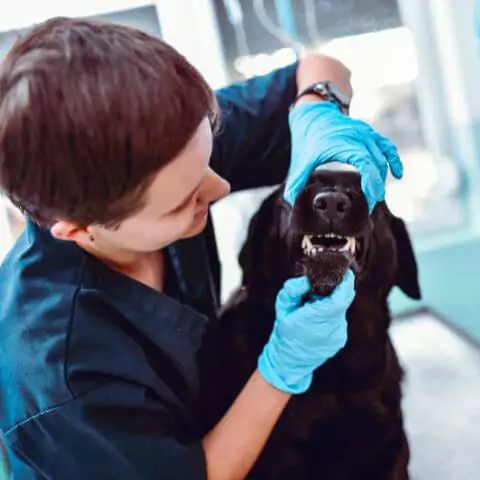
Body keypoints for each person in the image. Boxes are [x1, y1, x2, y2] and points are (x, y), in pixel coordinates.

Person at [0, 17, 403, 479]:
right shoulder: (58, 377)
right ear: (79, 230)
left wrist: (321, 111)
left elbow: (318, 66)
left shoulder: (166, 139)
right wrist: (283, 367)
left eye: (207, 157)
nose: (220, 186)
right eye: (183, 201)